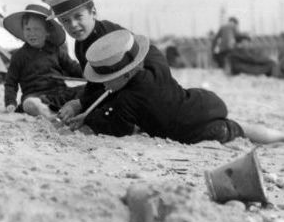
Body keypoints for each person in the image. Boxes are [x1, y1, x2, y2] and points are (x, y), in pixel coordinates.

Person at [61, 29, 284, 144]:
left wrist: (88, 118)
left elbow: (119, 127)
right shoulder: (157, 65)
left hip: (197, 131)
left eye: (107, 79)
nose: (104, 84)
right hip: (204, 102)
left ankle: (279, 138)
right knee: (243, 127)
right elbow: (151, 50)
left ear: (124, 74)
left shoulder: (126, 99)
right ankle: (280, 136)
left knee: (237, 131)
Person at [46, 0, 125, 120]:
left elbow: (119, 83)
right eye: (66, 21)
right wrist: (81, 103)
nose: (73, 25)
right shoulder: (81, 44)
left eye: (78, 16)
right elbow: (94, 82)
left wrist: (81, 104)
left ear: (93, 12)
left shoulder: (106, 36)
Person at [2, 3, 82, 118]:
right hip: (37, 97)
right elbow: (10, 83)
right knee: (29, 104)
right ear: (23, 31)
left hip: (60, 93)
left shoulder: (56, 51)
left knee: (87, 90)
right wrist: (10, 102)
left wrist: (89, 73)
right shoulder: (19, 56)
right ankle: (48, 114)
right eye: (28, 29)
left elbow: (73, 68)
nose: (32, 33)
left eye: (37, 29)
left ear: (47, 32)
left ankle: (66, 110)